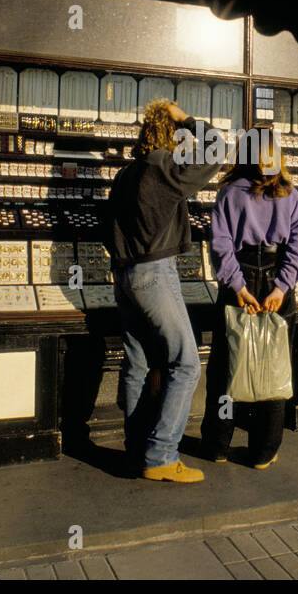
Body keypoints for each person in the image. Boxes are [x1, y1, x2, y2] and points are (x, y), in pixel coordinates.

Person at [104, 98, 227, 483]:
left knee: (138, 362)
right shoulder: (162, 167)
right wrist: (186, 118)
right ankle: (161, 455)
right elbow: (217, 149)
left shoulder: (126, 174)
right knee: (187, 363)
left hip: (123, 275)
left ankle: (137, 449)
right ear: (171, 135)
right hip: (154, 273)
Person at [202, 128, 298, 470]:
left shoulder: (229, 193)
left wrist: (239, 287)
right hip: (277, 280)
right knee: (273, 365)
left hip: (241, 281)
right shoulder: (290, 195)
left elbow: (220, 245)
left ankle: (217, 445)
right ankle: (263, 451)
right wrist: (281, 287)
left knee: (226, 364)